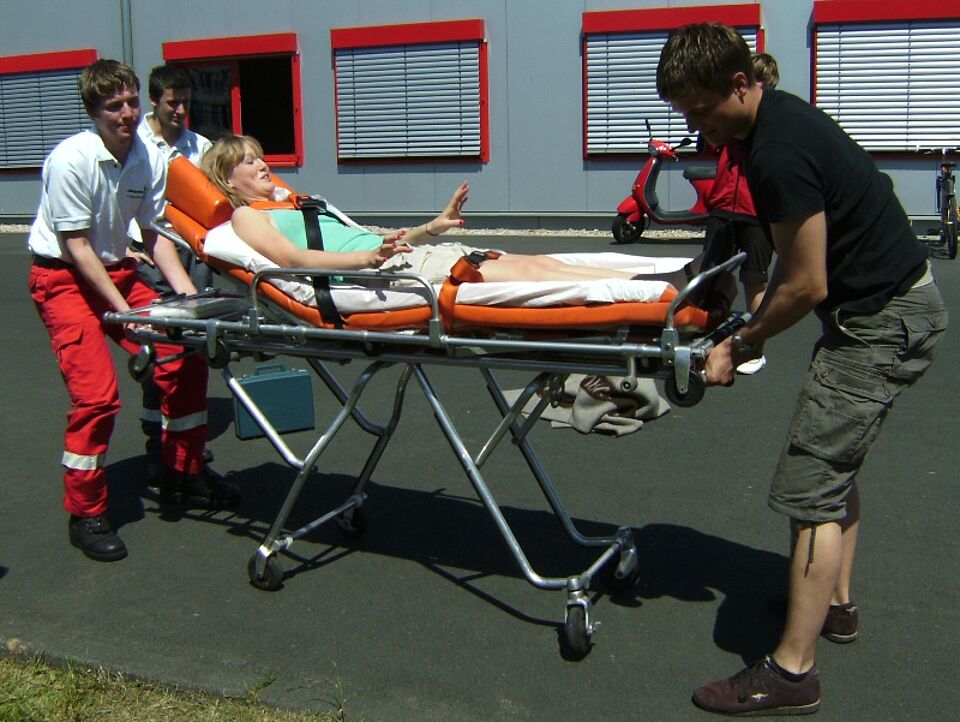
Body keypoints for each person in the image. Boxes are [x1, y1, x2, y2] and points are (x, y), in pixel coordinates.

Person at [657, 23, 946, 716]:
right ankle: (834, 605)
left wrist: (741, 343)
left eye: (701, 110)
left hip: (880, 322)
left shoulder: (777, 150)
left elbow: (806, 282)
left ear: (739, 85)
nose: (695, 127)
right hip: (889, 307)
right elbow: (794, 261)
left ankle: (792, 672)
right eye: (685, 114)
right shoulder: (775, 122)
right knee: (835, 463)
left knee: (810, 488)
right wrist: (743, 322)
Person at [27, 59, 240, 564]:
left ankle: (182, 473)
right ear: (93, 112)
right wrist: (127, 314)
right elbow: (77, 246)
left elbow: (153, 234)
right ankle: (85, 513)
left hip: (116, 271)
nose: (126, 113)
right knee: (97, 398)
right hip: (63, 278)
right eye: (113, 106)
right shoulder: (70, 160)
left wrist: (187, 298)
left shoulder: (146, 156)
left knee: (184, 352)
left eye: (130, 102)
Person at [200, 135, 716, 289]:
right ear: (227, 179)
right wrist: (366, 261)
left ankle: (662, 278)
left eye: (261, 157)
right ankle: (661, 288)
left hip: (400, 259)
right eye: (249, 162)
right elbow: (294, 262)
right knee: (532, 276)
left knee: (541, 262)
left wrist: (433, 225)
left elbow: (371, 239)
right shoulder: (248, 219)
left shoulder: (301, 202)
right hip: (383, 277)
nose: (263, 165)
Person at [133, 64, 215, 484]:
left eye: (185, 102)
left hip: (191, 253)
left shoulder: (199, 146)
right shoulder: (135, 145)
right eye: (172, 103)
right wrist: (130, 246)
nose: (181, 110)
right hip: (150, 255)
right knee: (160, 347)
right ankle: (157, 440)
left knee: (194, 347)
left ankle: (187, 446)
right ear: (154, 100)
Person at [700, 51, 779, 375]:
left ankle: (753, 348)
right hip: (722, 208)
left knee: (754, 281)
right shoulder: (730, 118)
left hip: (756, 213)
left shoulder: (772, 122)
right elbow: (708, 142)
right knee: (710, 276)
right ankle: (706, 341)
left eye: (764, 83)